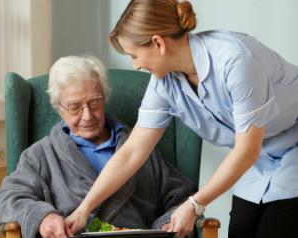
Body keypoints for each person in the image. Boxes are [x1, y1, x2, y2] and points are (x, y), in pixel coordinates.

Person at [65, 1, 298, 237]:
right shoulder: (164, 83)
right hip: (256, 162)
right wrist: (85, 209)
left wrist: (194, 205)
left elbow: (247, 150)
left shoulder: (235, 60)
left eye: (135, 55)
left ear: (158, 43)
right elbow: (131, 152)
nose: (135, 66)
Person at [0, 55, 197, 238]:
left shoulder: (139, 148)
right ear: (59, 109)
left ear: (105, 99)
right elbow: (3, 198)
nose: (87, 116)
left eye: (95, 103)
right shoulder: (41, 155)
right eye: (75, 107)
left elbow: (181, 196)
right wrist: (42, 216)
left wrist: (169, 223)